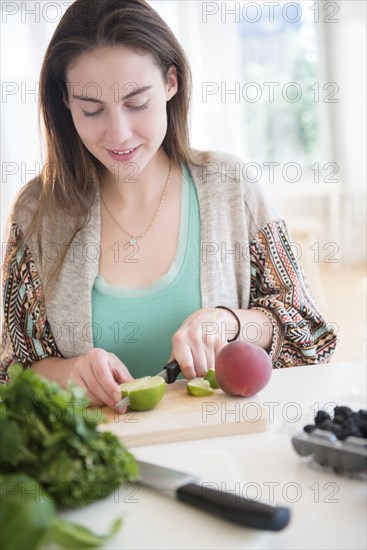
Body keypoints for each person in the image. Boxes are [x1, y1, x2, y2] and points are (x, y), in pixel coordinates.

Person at [0, 0, 337, 408]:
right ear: (66, 102)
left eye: (137, 103)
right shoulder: (37, 213)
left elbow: (311, 333)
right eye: (92, 110)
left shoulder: (231, 188)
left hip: (225, 456)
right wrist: (69, 374)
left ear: (171, 82)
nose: (119, 134)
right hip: (98, 466)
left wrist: (227, 323)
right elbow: (12, 372)